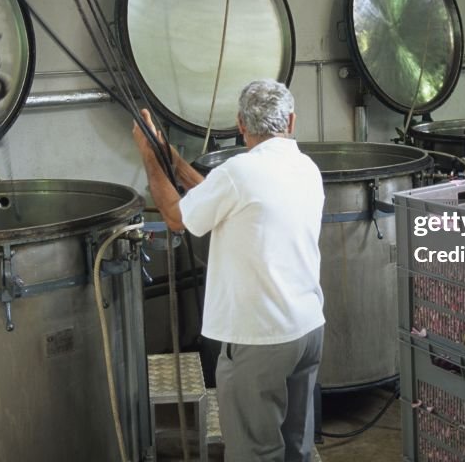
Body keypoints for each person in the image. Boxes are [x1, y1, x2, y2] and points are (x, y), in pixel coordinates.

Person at [131, 79, 325, 462]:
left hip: (260, 338)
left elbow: (175, 216)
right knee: (296, 449)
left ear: (240, 123)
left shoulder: (239, 173)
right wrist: (173, 159)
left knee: (256, 451)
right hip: (306, 331)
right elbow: (226, 200)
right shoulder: (305, 167)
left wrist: (148, 155)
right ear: (291, 121)